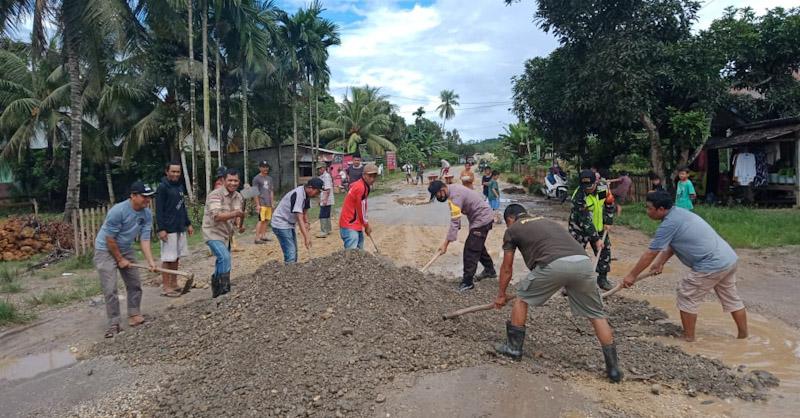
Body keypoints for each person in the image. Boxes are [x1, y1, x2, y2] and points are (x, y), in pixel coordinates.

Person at [493, 204, 622, 382]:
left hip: (553, 264)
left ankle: (513, 349)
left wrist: (501, 294)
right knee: (596, 314)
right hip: (583, 263)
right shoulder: (547, 221)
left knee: (521, 298)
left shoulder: (513, 229)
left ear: (509, 219)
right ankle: (614, 370)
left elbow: (507, 268)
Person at [622, 190, 747, 342]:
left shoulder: (669, 223)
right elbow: (675, 244)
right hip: (727, 259)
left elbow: (650, 253)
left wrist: (631, 275)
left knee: (687, 294)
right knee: (731, 298)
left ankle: (688, 339)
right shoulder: (679, 213)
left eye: (649, 208)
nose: (647, 211)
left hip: (711, 263)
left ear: (661, 209)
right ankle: (743, 337)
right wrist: (660, 262)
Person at [94, 181, 157, 338]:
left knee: (134, 283)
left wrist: (150, 261)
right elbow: (109, 239)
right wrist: (120, 259)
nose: (147, 200)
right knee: (110, 288)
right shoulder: (118, 211)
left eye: (149, 197)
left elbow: (144, 239)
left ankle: (134, 314)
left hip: (125, 248)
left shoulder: (146, 214)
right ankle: (114, 322)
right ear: (133, 196)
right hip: (105, 249)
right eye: (144, 197)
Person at [428, 180, 496, 292]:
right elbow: (457, 218)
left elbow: (455, 222)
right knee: (477, 246)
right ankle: (490, 271)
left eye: (437, 195)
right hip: (480, 219)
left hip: (482, 219)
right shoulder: (452, 192)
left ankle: (468, 282)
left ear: (442, 190)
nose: (438, 197)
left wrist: (445, 244)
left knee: (470, 249)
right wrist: (447, 241)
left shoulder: (455, 196)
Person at [569, 169, 616, 291]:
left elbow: (609, 204)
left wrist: (608, 221)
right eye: (585, 186)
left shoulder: (602, 189)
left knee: (604, 252)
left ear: (596, 182)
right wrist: (595, 239)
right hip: (579, 229)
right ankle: (571, 284)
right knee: (575, 256)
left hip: (599, 226)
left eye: (590, 186)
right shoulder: (578, 197)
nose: (587, 189)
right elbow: (585, 220)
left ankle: (602, 279)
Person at [202, 168, 245, 298]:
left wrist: (239, 224)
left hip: (226, 234)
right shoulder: (215, 195)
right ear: (224, 180)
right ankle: (224, 290)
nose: (233, 183)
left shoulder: (238, 196)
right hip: (213, 232)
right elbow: (217, 216)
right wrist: (236, 214)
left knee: (221, 261)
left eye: (235, 180)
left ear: (239, 181)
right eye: (230, 180)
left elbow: (237, 213)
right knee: (225, 257)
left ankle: (216, 287)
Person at [155, 161, 194, 298]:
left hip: (179, 226)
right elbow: (159, 210)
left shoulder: (179, 187)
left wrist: (188, 223)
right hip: (168, 228)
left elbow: (182, 207)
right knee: (167, 258)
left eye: (178, 172)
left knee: (176, 256)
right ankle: (166, 286)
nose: (176, 174)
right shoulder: (162, 187)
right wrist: (161, 229)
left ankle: (174, 283)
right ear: (167, 172)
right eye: (173, 171)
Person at [271, 178, 323, 263]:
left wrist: (307, 222)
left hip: (289, 223)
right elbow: (299, 218)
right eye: (317, 191)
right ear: (310, 187)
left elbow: (304, 212)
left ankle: (293, 270)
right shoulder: (298, 194)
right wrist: (306, 237)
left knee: (294, 251)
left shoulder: (307, 195)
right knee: (291, 253)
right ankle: (289, 272)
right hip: (280, 222)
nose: (317, 194)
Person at [339, 163, 378, 249]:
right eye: (370, 176)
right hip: (350, 224)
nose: (372, 179)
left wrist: (364, 225)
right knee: (351, 255)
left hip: (354, 223)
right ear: (364, 175)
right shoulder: (361, 188)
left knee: (359, 253)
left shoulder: (361, 184)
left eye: (374, 176)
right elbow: (361, 209)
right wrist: (366, 226)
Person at [252, 161, 275, 243]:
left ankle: (263, 235)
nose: (265, 168)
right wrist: (257, 204)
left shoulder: (270, 178)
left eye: (266, 167)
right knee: (261, 220)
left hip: (268, 202)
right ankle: (257, 238)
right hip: (261, 202)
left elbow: (271, 191)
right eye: (263, 167)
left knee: (266, 220)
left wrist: (272, 202)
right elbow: (255, 192)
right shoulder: (256, 178)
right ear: (260, 168)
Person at [317, 165, 334, 238]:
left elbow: (328, 189)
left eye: (320, 168)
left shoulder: (326, 176)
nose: (319, 170)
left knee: (322, 214)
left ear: (323, 168)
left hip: (326, 198)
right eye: (318, 169)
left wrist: (325, 200)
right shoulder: (322, 176)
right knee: (326, 213)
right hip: (325, 197)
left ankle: (324, 231)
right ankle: (328, 229)